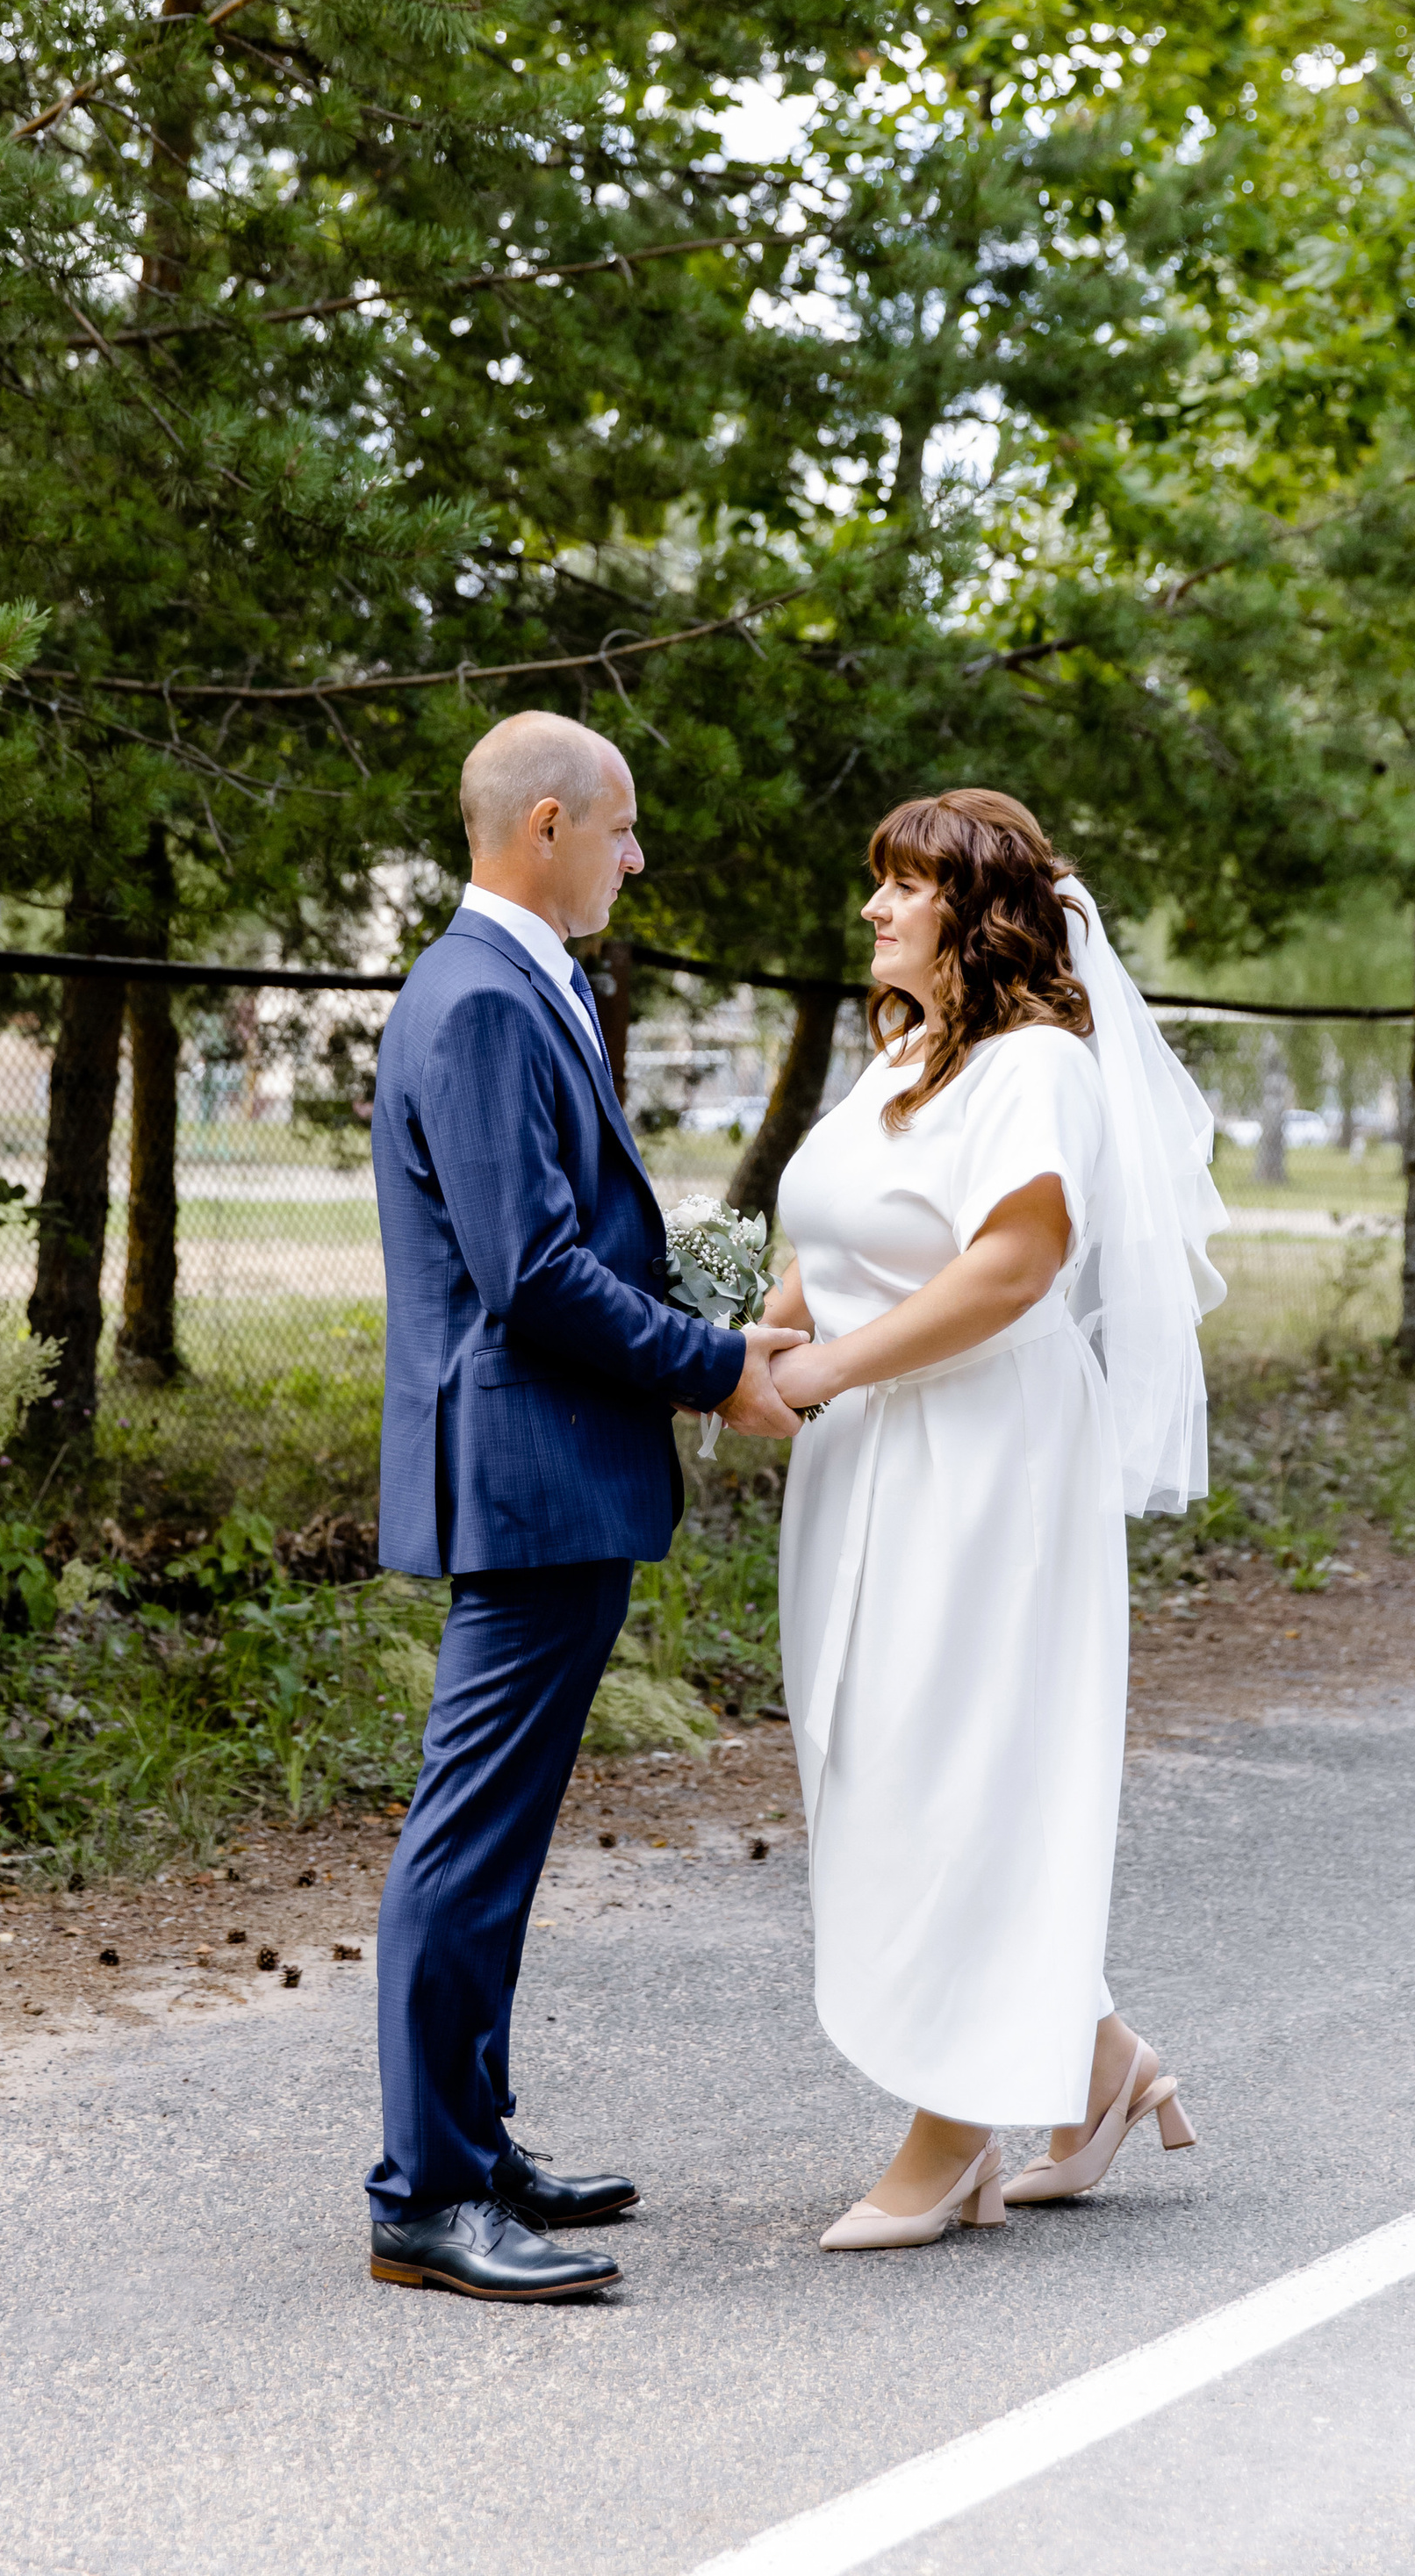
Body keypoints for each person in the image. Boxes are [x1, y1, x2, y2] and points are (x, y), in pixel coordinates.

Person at [366, 708, 805, 2301]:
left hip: (549, 1472)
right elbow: (534, 1275)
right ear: (543, 824)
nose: (637, 855)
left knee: (498, 1836)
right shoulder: (484, 996)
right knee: (469, 1838)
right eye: (621, 827)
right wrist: (715, 1365)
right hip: (527, 1469)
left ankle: (473, 2148)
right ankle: (425, 2194)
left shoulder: (511, 982)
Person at [764, 788, 1226, 2248]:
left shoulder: (1038, 1067)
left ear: (975, 912)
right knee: (875, 1757)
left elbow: (1015, 1266)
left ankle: (952, 2132)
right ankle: (1096, 2066)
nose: (873, 908)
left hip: (985, 1460)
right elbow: (830, 1233)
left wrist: (827, 1367)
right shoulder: (902, 1057)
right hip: (867, 1457)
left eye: (903, 885)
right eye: (878, 882)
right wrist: (754, 1338)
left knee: (956, 1770)